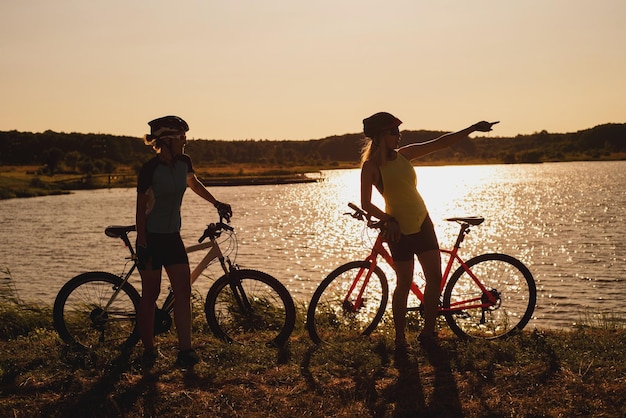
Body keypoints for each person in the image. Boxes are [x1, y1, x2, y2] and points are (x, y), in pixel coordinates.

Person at [359, 112, 498, 349]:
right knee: (403, 284)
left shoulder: (406, 155)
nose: (398, 136)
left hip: (423, 222)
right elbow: (366, 204)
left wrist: (472, 127)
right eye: (393, 132)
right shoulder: (371, 167)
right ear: (380, 136)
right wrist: (387, 219)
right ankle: (400, 338)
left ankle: (428, 333)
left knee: (434, 279)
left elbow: (440, 142)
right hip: (399, 230)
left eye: (398, 131)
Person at [136, 115, 232, 368]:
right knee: (151, 294)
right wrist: (142, 241)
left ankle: (186, 350)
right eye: (181, 138)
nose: (185, 142)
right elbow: (139, 211)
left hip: (172, 238)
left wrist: (216, 203)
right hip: (152, 240)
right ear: (166, 141)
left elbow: (193, 183)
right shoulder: (149, 170)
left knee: (183, 291)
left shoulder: (184, 163)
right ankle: (149, 350)